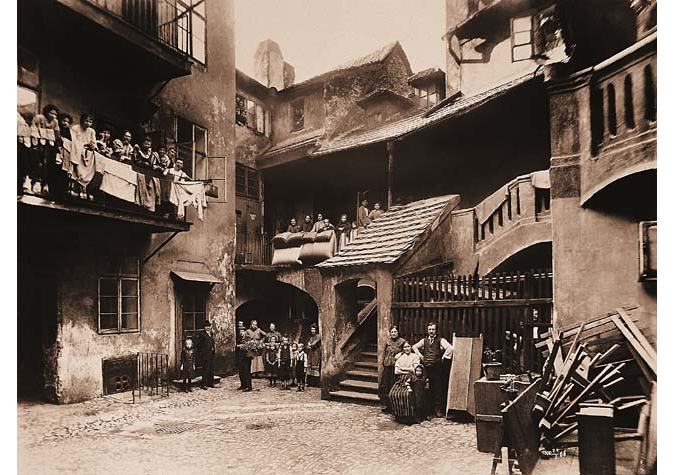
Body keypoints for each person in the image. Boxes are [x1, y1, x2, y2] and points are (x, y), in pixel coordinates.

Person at [412, 323, 454, 418]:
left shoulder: (440, 340)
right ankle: (428, 411)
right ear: (427, 330)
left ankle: (438, 409)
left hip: (437, 369)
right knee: (427, 388)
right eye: (430, 329)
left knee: (438, 389)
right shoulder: (424, 340)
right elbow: (414, 347)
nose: (431, 331)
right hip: (426, 368)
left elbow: (450, 348)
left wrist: (443, 357)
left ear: (436, 330)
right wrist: (420, 355)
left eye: (433, 329)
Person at [388, 341, 422, 423]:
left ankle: (409, 417)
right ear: (403, 349)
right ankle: (399, 415)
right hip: (400, 379)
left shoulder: (415, 356)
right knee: (393, 394)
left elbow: (414, 370)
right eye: (405, 347)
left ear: (411, 348)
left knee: (407, 394)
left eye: (408, 347)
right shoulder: (400, 357)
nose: (407, 349)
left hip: (411, 379)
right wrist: (407, 370)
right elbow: (396, 371)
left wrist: (402, 369)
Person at [380, 326, 407, 412]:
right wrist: (384, 361)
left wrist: (401, 354)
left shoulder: (402, 342)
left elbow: (407, 350)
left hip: (396, 367)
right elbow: (385, 352)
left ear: (398, 332)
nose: (393, 333)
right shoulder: (388, 341)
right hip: (387, 366)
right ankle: (386, 405)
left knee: (394, 385)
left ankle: (395, 407)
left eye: (395, 332)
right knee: (385, 385)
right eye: (392, 332)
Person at [199, 321, 216, 390]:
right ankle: (204, 384)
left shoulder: (211, 333)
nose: (208, 328)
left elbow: (212, 342)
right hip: (205, 354)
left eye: (209, 326)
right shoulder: (202, 335)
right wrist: (201, 352)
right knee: (205, 369)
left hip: (211, 353)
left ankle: (211, 383)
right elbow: (199, 345)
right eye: (206, 327)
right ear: (204, 327)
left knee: (211, 369)